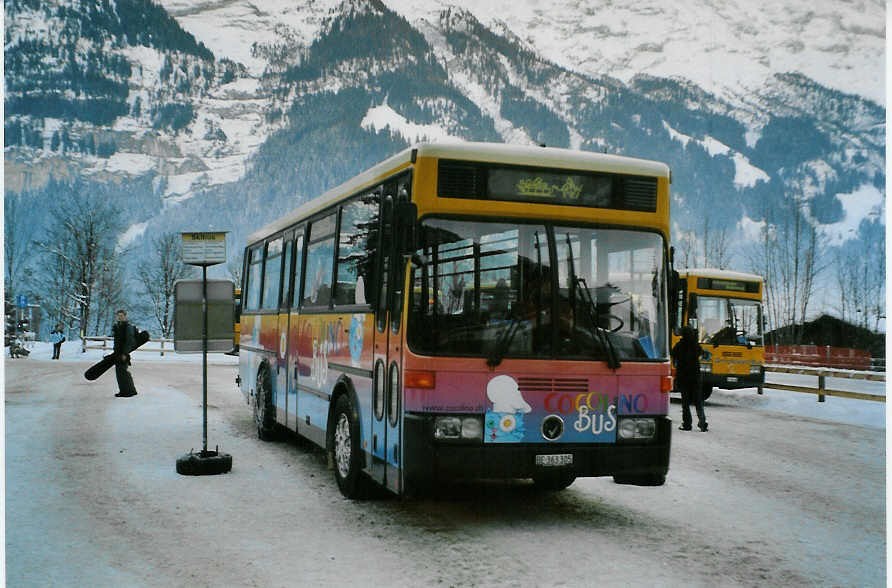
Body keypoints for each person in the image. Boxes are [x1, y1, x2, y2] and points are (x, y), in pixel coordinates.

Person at [672, 326, 707, 432]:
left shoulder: (678, 346)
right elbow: (702, 354)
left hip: (683, 377)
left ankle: (687, 424)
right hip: (695, 377)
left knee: (685, 402)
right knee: (698, 401)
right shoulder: (696, 346)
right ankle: (702, 423)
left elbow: (673, 357)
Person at [111, 309, 138, 398]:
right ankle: (123, 391)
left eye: (122, 316)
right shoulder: (117, 326)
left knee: (124, 372)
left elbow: (130, 341)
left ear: (125, 316)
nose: (120, 317)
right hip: (118, 353)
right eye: (118, 316)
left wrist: (125, 353)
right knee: (119, 373)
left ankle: (131, 391)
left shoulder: (128, 327)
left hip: (124, 353)